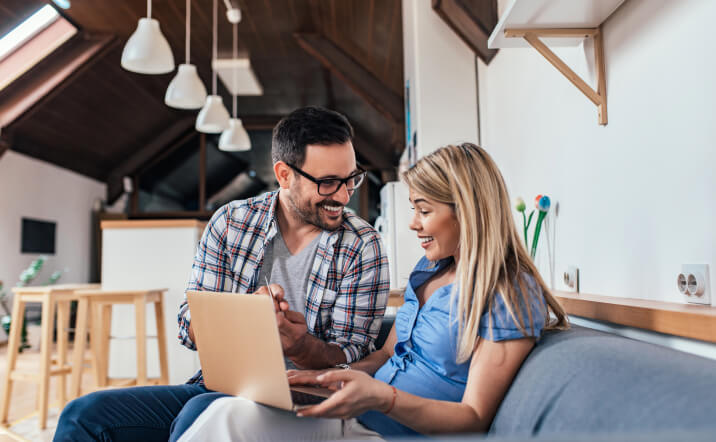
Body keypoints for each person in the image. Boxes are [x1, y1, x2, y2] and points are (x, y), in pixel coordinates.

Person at [176, 143, 569, 441]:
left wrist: (382, 398)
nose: (413, 224)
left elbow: (474, 416)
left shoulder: (508, 292)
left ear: (468, 210)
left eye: (424, 209)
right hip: (363, 415)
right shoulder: (429, 271)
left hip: (392, 430)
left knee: (231, 421)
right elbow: (385, 356)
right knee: (225, 413)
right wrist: (321, 377)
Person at [53, 106, 390, 442]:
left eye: (351, 179)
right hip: (220, 386)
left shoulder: (364, 246)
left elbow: (351, 356)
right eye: (329, 183)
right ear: (284, 174)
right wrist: (245, 317)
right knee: (83, 416)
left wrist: (300, 346)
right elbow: (188, 327)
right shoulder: (231, 223)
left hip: (309, 401)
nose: (344, 196)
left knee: (196, 413)